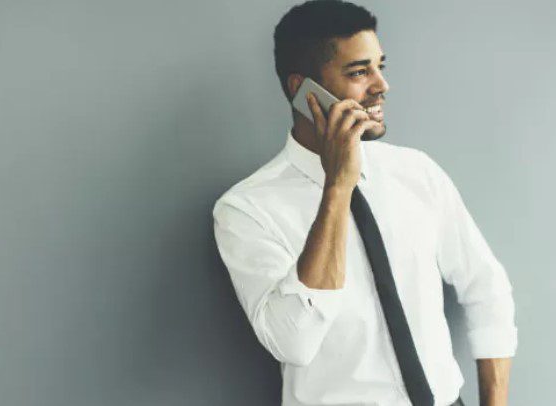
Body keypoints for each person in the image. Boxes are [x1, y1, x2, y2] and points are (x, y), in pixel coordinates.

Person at [211, 1, 517, 405]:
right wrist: (337, 186)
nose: (381, 86)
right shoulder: (246, 209)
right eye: (359, 72)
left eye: (380, 67)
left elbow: (486, 286)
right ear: (302, 91)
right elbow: (294, 342)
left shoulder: (416, 172)